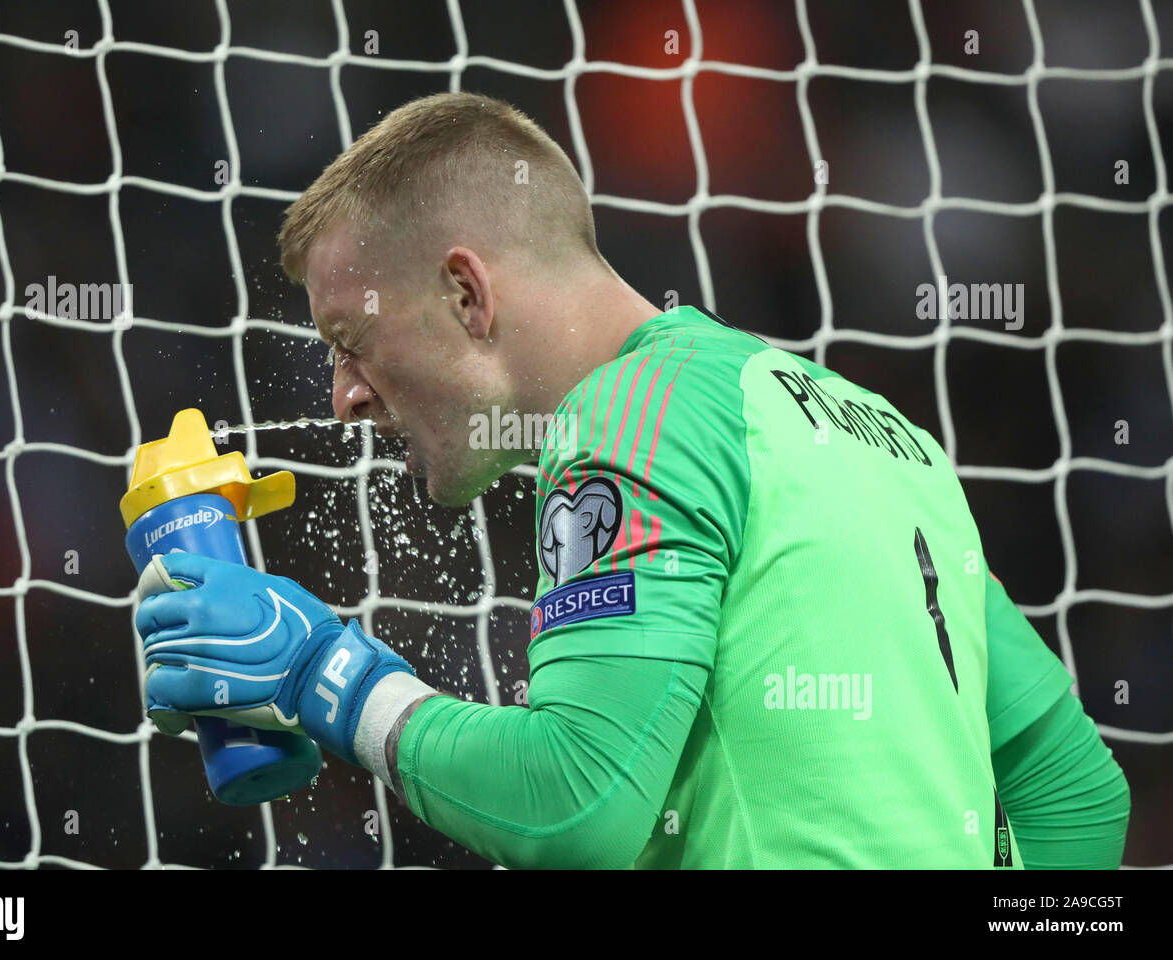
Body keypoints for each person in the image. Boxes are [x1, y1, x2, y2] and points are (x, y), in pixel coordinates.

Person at [134, 92, 1130, 868]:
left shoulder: (631, 419)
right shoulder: (878, 434)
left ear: (465, 291)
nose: (345, 396)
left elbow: (577, 803)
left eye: (352, 342)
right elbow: (1076, 790)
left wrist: (327, 680)